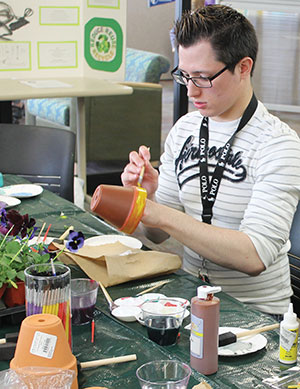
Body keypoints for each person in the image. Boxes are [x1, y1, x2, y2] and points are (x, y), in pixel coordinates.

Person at [121, 5, 300, 316]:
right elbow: (159, 235)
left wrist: (161, 214)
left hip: (256, 315)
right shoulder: (185, 129)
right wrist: (147, 196)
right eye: (184, 75)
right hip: (193, 299)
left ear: (244, 67)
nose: (191, 90)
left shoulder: (278, 144)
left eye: (202, 78)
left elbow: (253, 257)